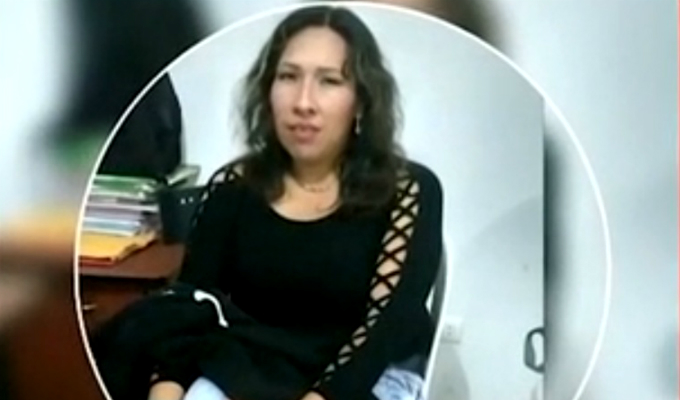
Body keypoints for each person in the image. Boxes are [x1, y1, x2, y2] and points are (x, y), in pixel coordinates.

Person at [91, 5, 443, 400]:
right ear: (268, 90)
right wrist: (167, 389)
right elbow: (188, 310)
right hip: (252, 362)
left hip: (363, 375)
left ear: (361, 100)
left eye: (329, 81)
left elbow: (385, 329)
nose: (303, 102)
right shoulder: (233, 186)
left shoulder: (408, 190)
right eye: (288, 77)